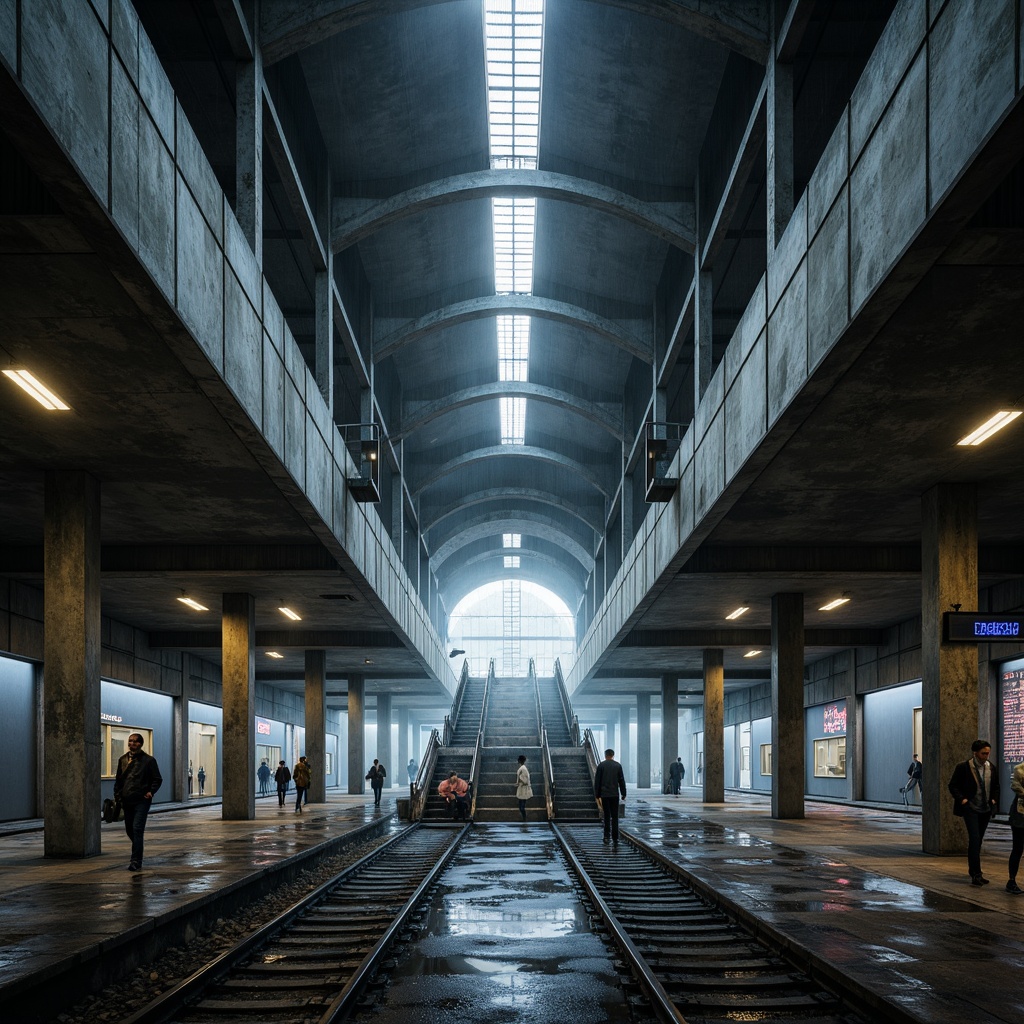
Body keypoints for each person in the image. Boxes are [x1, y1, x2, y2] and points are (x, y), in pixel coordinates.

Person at [948, 739, 1000, 885]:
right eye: (983, 753)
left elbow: (996, 785)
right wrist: (963, 800)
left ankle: (976, 872)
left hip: (985, 809)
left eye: (988, 753)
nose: (986, 756)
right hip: (971, 808)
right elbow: (953, 786)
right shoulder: (964, 767)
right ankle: (976, 873)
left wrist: (994, 800)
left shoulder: (991, 768)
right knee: (975, 839)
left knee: (979, 840)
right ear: (975, 753)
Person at [113, 733, 162, 871]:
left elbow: (157, 779)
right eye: (130, 741)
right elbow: (118, 781)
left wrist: (151, 791)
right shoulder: (122, 760)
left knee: (137, 829)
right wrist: (117, 796)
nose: (132, 744)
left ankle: (135, 861)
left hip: (142, 800)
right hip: (126, 800)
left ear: (141, 743)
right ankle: (138, 847)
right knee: (130, 829)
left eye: (135, 742)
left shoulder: (149, 761)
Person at [594, 748, 626, 845]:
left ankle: (606, 836)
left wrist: (597, 794)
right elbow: (621, 781)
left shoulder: (601, 766)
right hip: (614, 794)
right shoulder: (618, 766)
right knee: (615, 816)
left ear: (605, 755)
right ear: (613, 755)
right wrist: (623, 793)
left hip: (604, 795)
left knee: (607, 816)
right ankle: (615, 838)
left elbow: (597, 781)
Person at [1007, 760, 1024, 895]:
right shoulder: (1020, 769)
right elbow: (1015, 786)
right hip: (1020, 814)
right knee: (1018, 848)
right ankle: (1011, 881)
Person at [515, 754, 533, 822]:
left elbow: (525, 780)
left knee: (522, 806)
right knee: (521, 805)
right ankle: (524, 818)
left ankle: (524, 818)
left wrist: (520, 781)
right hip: (522, 788)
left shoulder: (523, 769)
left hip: (523, 789)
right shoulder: (523, 768)